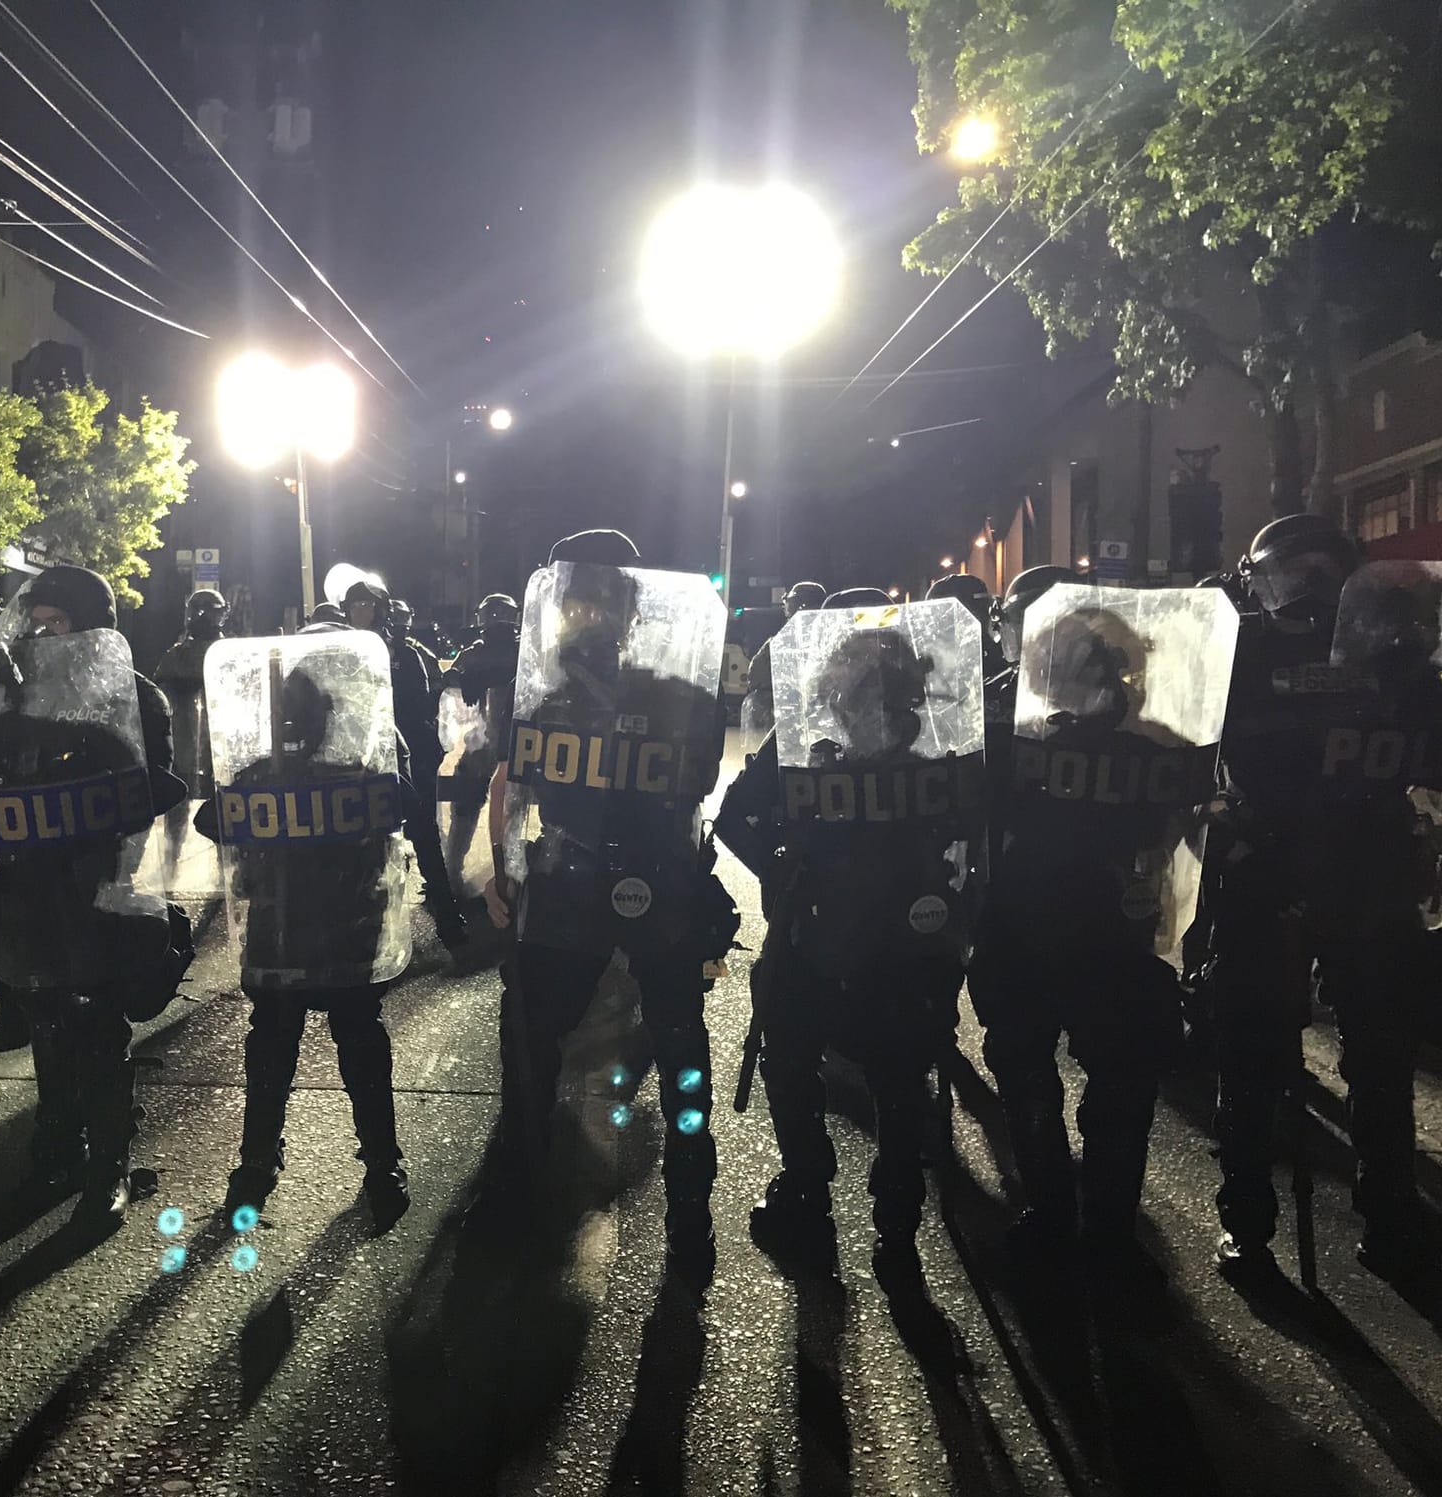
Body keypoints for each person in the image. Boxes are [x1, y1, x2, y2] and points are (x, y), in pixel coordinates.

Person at [969, 567, 1236, 1295]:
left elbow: (1192, 809)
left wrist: (1218, 817)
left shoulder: (1153, 729)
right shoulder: (989, 717)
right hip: (1018, 930)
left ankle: (1109, 1232)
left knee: (1121, 1092)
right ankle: (1052, 1213)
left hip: (1118, 935)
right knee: (1026, 1082)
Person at [481, 530, 735, 1285]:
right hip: (587, 882)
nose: (588, 615)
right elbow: (514, 784)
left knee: (676, 1046)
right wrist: (503, 870)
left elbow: (692, 783)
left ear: (626, 610)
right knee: (548, 1036)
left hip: (630, 883)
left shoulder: (661, 696)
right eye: (578, 602)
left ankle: (685, 1208)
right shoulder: (560, 696)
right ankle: (529, 1185)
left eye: (598, 601)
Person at [1210, 519, 1442, 1282]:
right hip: (1273, 878)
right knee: (1259, 1055)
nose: (1311, 584)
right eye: (1294, 569)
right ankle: (1251, 1222)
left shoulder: (1400, 661)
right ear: (1256, 579)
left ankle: (1387, 1215)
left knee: (1378, 1058)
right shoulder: (1235, 654)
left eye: (1327, 569)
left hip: (1366, 878)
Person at [720, 588, 986, 1283]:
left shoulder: (940, 745)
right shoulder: (807, 744)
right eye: (853, 667)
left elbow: (976, 831)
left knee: (898, 1082)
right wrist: (782, 871)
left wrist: (949, 886)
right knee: (791, 1060)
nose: (863, 682)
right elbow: (737, 817)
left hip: (903, 941)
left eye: (878, 667)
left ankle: (894, 1216)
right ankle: (809, 1189)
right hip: (821, 934)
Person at [0, 565, 192, 1220]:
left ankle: (106, 1165)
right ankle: (56, 1148)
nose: (43, 635)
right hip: (26, 894)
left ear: (91, 626)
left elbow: (151, 794)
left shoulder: (136, 699)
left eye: (57, 623)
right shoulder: (15, 707)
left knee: (95, 1023)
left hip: (98, 887)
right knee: (49, 1022)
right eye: (37, 623)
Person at [195, 630, 415, 1232]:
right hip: (286, 933)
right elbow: (212, 819)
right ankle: (264, 1163)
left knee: (344, 1049)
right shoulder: (261, 776)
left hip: (335, 931)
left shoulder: (351, 770)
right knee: (280, 1051)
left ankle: (374, 1163)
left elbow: (402, 803)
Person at [345, 575, 468, 950]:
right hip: (355, 758)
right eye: (355, 606)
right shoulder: (341, 651)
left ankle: (448, 919)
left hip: (400, 754)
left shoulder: (402, 652)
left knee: (423, 833)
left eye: (368, 605)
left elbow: (419, 705)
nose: (361, 612)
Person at [441, 593, 519, 888]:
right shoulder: (483, 653)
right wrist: (466, 678)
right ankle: (455, 872)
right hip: (490, 741)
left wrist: (470, 677)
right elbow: (448, 681)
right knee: (471, 805)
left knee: (505, 809)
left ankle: (500, 872)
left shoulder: (518, 650)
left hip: (505, 741)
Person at [153, 587, 228, 886]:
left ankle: (226, 870)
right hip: (184, 738)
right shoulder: (177, 654)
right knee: (177, 811)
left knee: (222, 808)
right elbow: (158, 695)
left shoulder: (226, 653)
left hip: (216, 743)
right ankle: (171, 865)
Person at [743, 580, 827, 732]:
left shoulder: (783, 641)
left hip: (793, 724)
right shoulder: (832, 637)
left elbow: (756, 676)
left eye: (790, 604)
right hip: (815, 720)